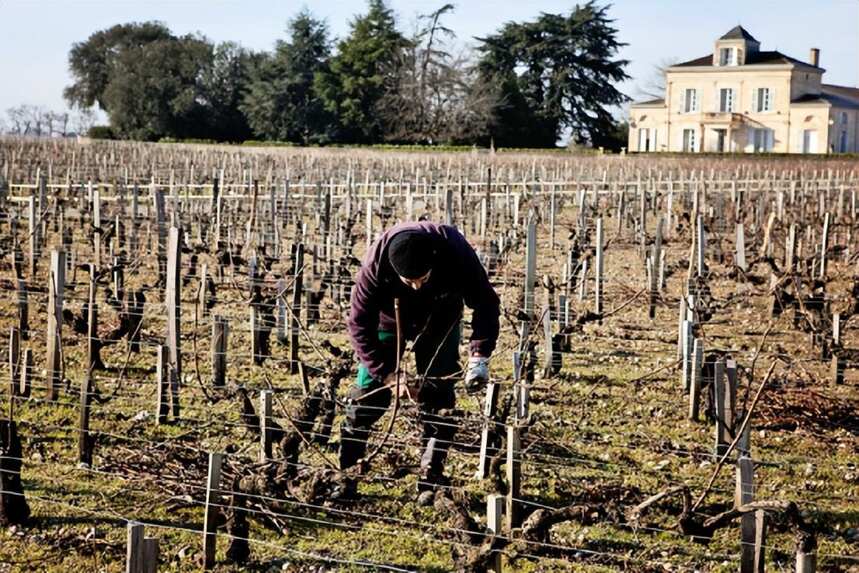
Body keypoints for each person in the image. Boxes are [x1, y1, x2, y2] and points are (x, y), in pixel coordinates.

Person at [340, 221, 500, 498]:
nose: (416, 286)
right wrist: (388, 375)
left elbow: (485, 303)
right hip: (389, 320)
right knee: (367, 393)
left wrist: (479, 356)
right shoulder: (375, 266)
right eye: (408, 281)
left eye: (422, 278)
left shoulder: (456, 253)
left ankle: (431, 476)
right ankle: (346, 475)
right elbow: (358, 325)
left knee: (439, 393)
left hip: (442, 315)